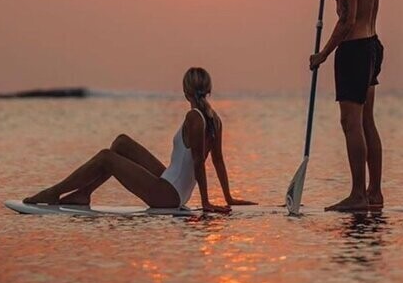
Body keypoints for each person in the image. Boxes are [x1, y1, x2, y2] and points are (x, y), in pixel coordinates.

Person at [23, 67, 256, 213]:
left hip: (168, 195)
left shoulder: (194, 118)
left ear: (185, 91)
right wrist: (228, 197)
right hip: (171, 184)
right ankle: (84, 192)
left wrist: (206, 202)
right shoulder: (214, 119)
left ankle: (53, 192)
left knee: (106, 157)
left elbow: (198, 163)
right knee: (122, 142)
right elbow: (219, 162)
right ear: (209, 90)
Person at [309, 0, 384, 211]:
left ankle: (357, 195)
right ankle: (374, 193)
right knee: (367, 121)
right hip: (372, 46)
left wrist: (322, 55)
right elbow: (355, 2)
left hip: (353, 51)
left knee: (350, 123)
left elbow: (346, 20)